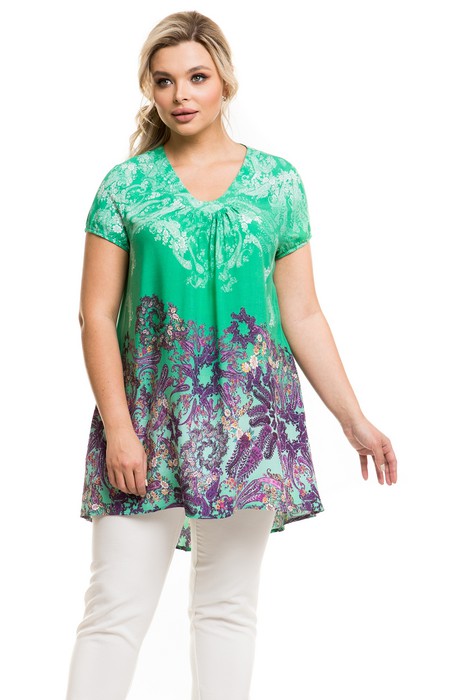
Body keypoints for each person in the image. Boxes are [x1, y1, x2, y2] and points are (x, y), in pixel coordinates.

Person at [65, 10, 397, 700]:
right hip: (148, 424)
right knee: (115, 610)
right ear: (150, 90)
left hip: (251, 428)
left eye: (196, 77)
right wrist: (120, 429)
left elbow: (302, 313)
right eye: (164, 81)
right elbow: (95, 315)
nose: (180, 94)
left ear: (224, 82)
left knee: (226, 610)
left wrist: (354, 419)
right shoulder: (125, 187)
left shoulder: (277, 184)